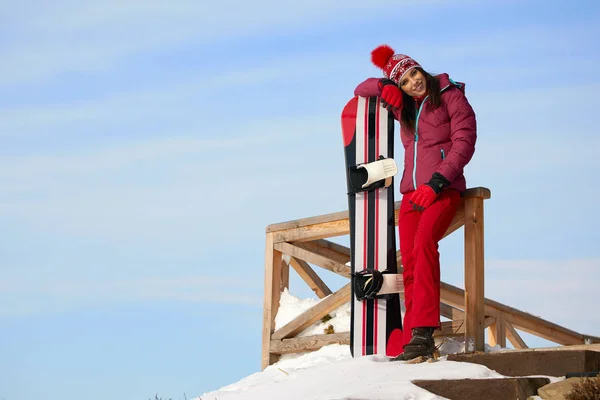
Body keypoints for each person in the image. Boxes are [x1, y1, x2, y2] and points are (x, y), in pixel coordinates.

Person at [354, 44, 477, 360]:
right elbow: (360, 88)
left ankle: (424, 331)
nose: (413, 83)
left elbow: (464, 142)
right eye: (405, 81)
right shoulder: (404, 107)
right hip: (411, 193)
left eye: (413, 74)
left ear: (421, 70)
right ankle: (413, 339)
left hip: (443, 189)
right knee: (408, 258)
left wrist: (437, 182)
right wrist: (385, 86)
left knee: (424, 244)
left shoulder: (451, 96)